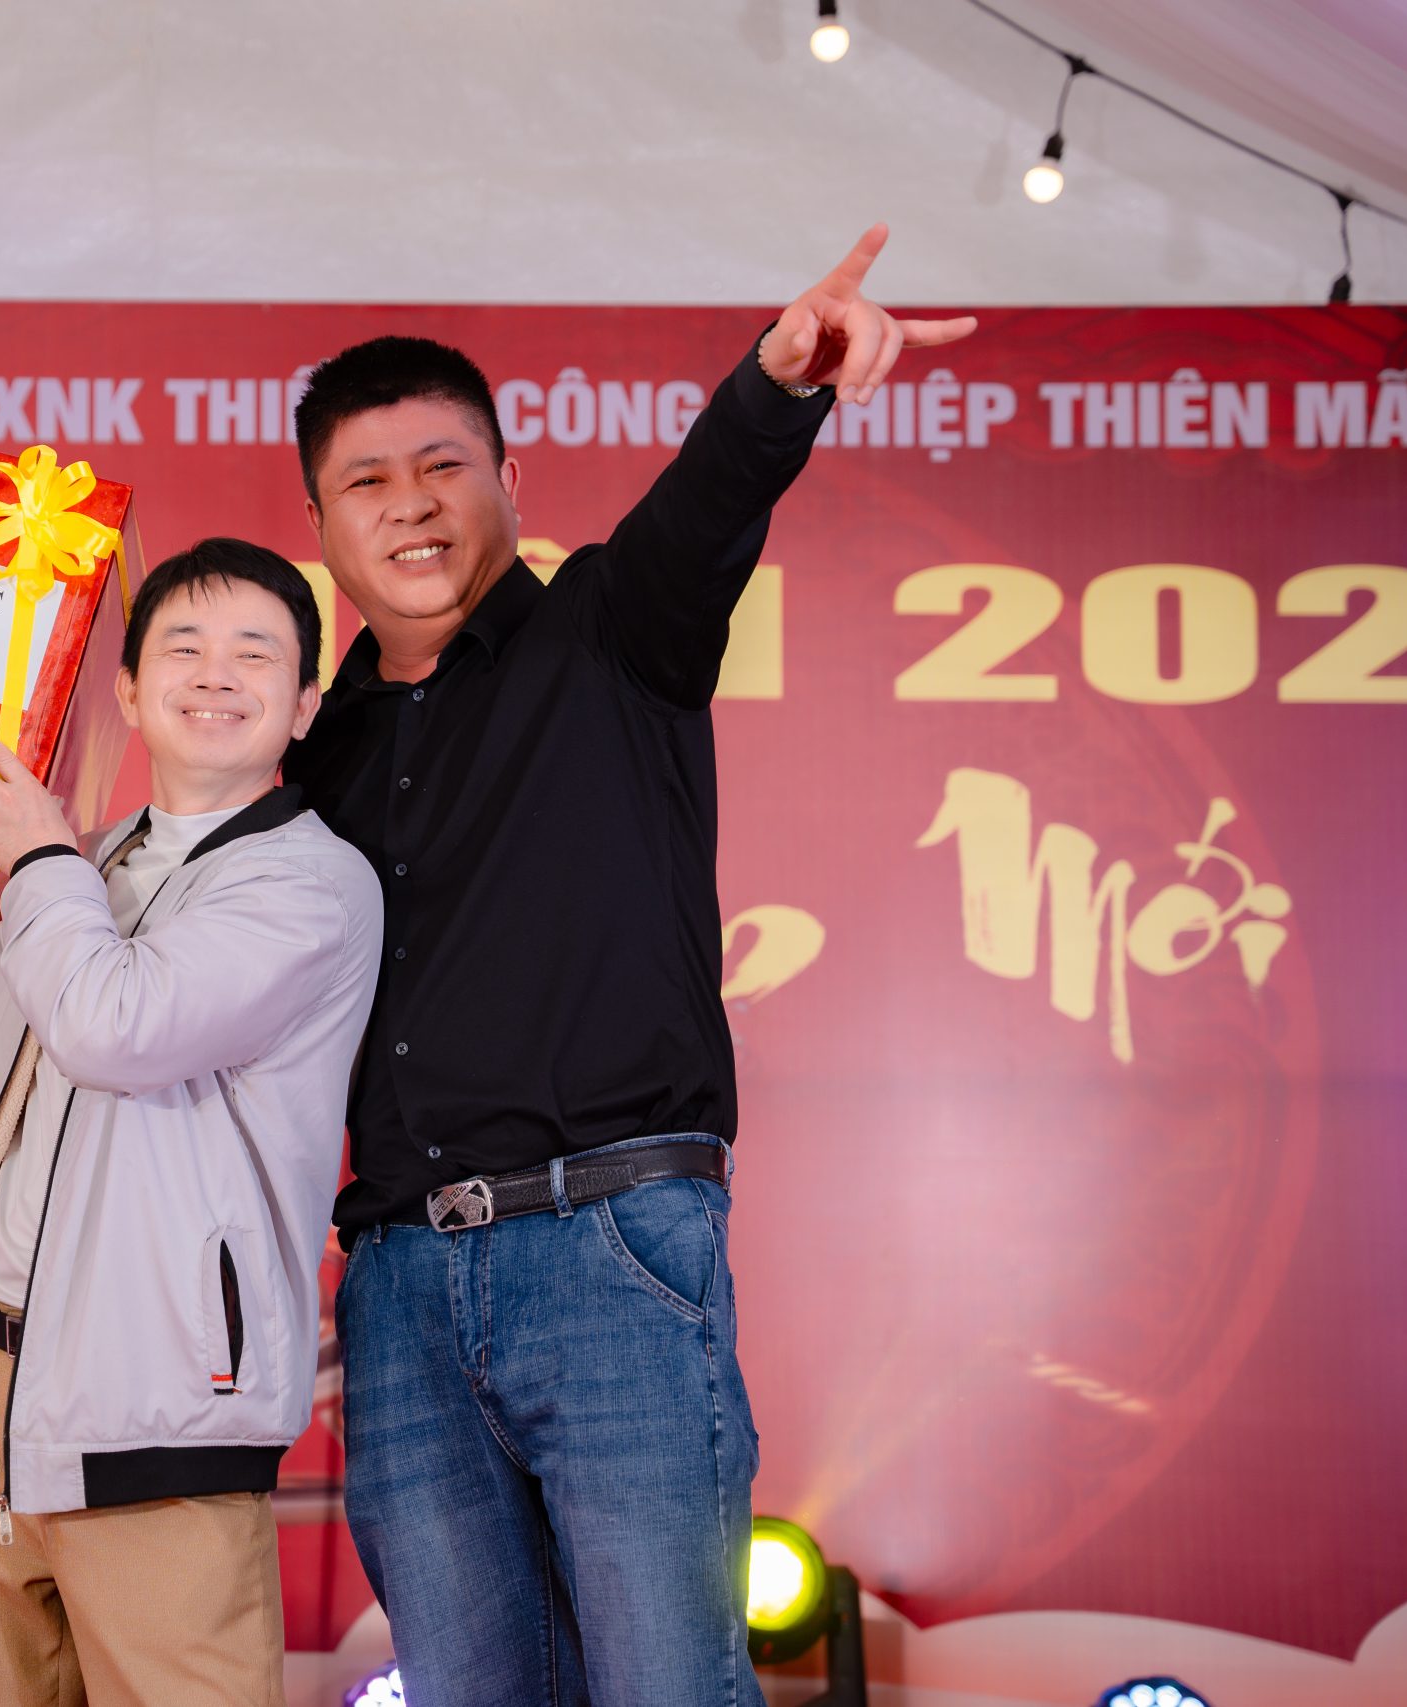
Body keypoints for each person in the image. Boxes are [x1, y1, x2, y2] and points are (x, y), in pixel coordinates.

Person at [282, 229, 976, 1705]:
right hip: (398, 1286)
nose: (411, 504)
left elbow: (707, 504)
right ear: (321, 525)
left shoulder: (613, 628)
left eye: (443, 466)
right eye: (367, 481)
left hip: (608, 1249)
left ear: (509, 479)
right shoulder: (312, 753)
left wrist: (778, 382)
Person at [0, 539, 382, 1707]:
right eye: (183, 646)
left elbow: (117, 1024)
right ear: (125, 689)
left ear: (303, 705)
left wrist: (37, 855)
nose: (214, 674)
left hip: (157, 1401)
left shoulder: (312, 885)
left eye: (254, 653)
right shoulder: (93, 865)